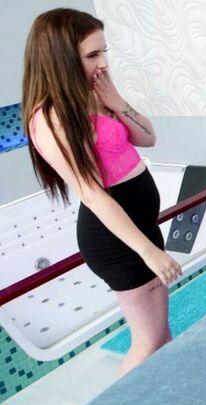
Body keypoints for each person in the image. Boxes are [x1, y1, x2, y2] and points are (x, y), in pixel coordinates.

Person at [22, 8, 181, 376]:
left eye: (103, 51)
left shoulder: (94, 95)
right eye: (93, 55)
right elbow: (92, 194)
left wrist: (117, 102)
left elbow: (148, 138)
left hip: (139, 226)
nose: (104, 63)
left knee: (161, 337)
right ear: (60, 58)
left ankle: (163, 400)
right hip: (116, 240)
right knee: (148, 342)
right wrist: (147, 251)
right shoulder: (50, 119)